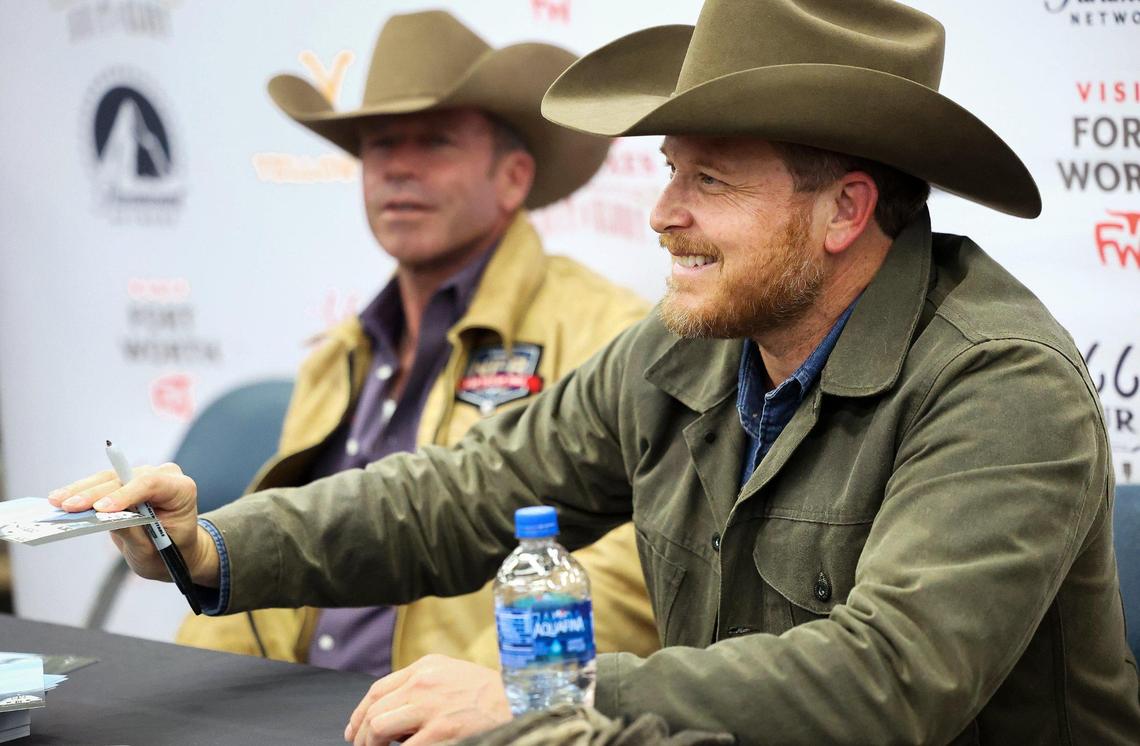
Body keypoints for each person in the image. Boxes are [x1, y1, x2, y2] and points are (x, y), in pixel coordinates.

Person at [52, 1, 1140, 744]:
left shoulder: (1002, 382)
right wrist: (216, 543)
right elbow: (464, 492)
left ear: (847, 210)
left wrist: (543, 700)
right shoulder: (685, 346)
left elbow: (890, 676)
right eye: (671, 172)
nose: (666, 214)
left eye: (709, 178)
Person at [171, 9, 659, 676]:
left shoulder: (607, 332)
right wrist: (185, 686)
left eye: (433, 142)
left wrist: (490, 692)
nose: (399, 168)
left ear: (513, 178)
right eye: (379, 145)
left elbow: (636, 564)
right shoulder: (337, 356)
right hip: (295, 709)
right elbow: (272, 585)